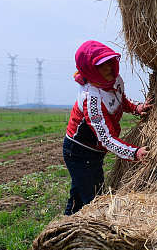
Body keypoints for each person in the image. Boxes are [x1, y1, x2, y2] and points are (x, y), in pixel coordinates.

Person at [63, 40, 152, 215]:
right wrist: (135, 153)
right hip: (79, 152)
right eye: (101, 66)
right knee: (94, 197)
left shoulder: (114, 80)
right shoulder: (91, 98)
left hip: (94, 150)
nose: (109, 68)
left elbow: (119, 99)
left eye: (109, 62)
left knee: (80, 193)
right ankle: (86, 232)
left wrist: (136, 108)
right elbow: (106, 138)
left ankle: (65, 225)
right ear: (90, 70)